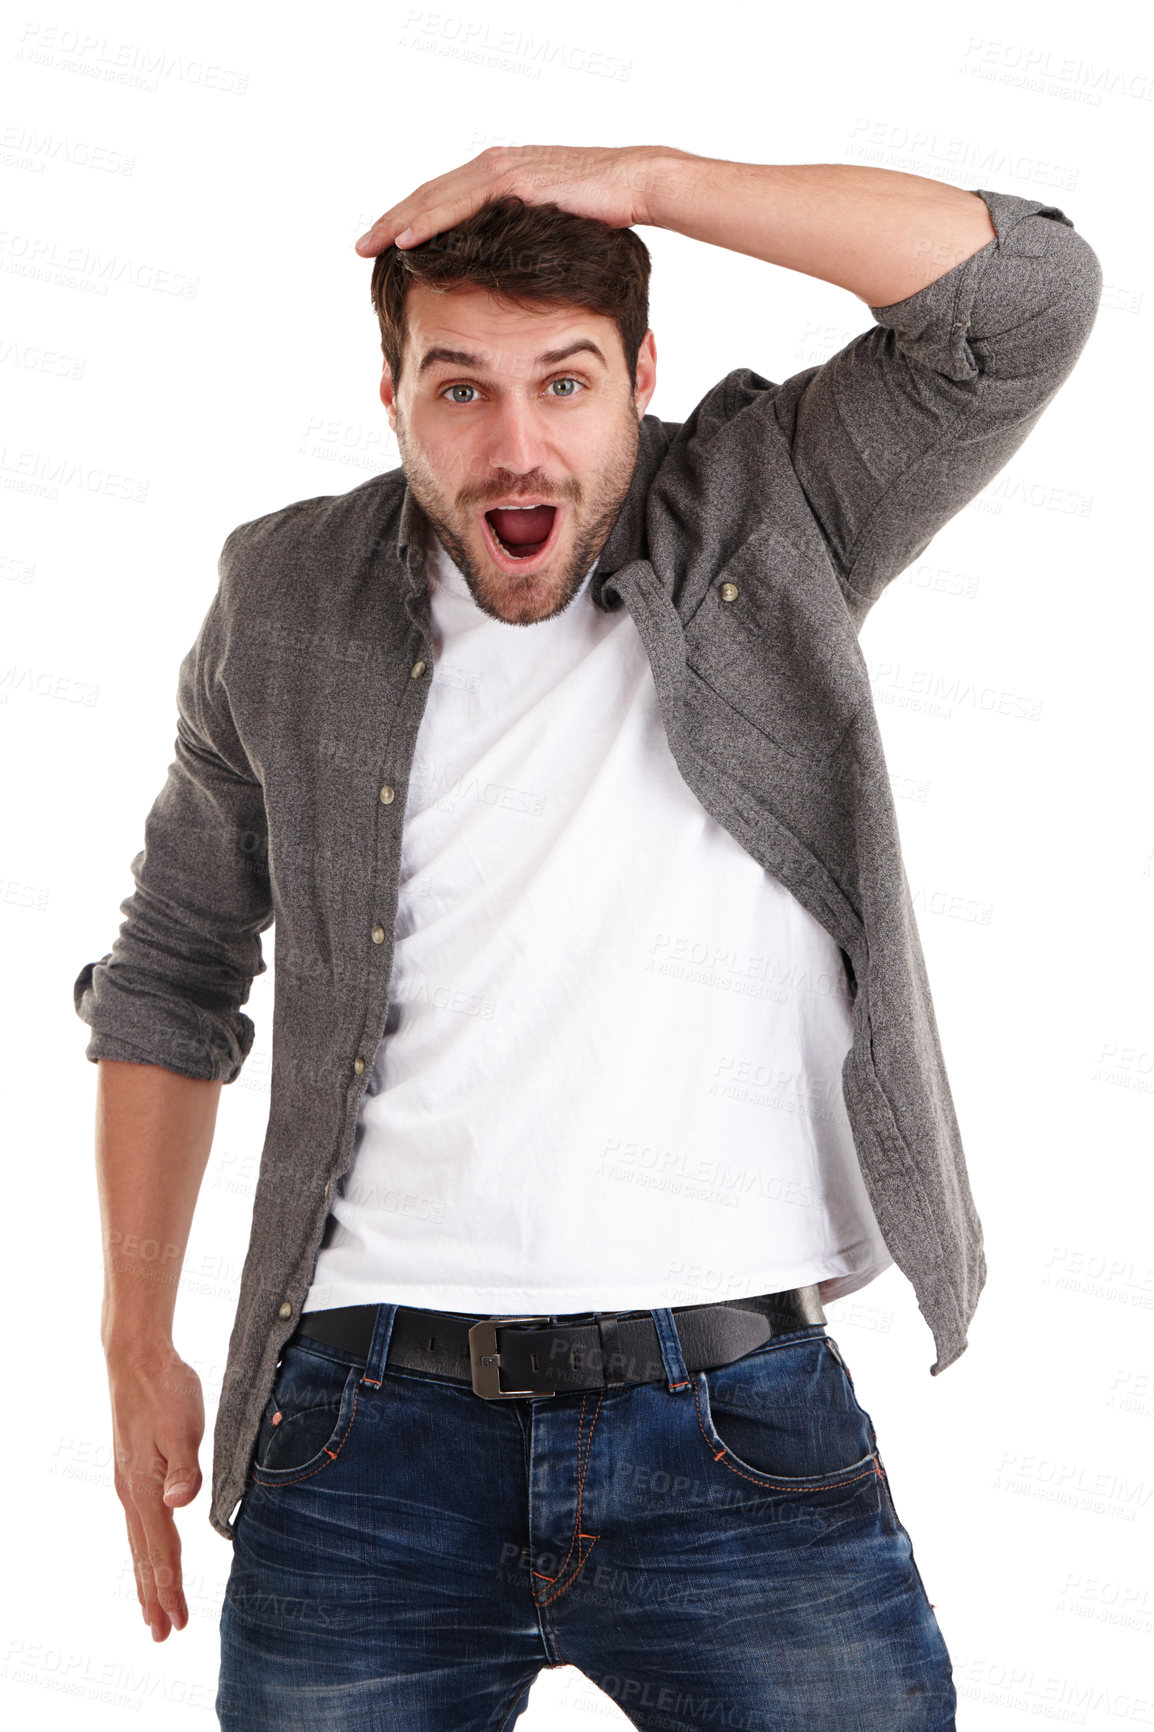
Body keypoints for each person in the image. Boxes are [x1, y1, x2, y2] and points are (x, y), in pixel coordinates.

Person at [74, 145, 1102, 1729]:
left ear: (638, 377)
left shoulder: (770, 510)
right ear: (392, 398)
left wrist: (639, 180)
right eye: (459, 389)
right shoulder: (282, 594)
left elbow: (1023, 296)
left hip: (738, 1429)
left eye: (563, 382)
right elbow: (172, 976)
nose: (514, 444)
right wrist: (135, 1340)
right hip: (363, 1441)